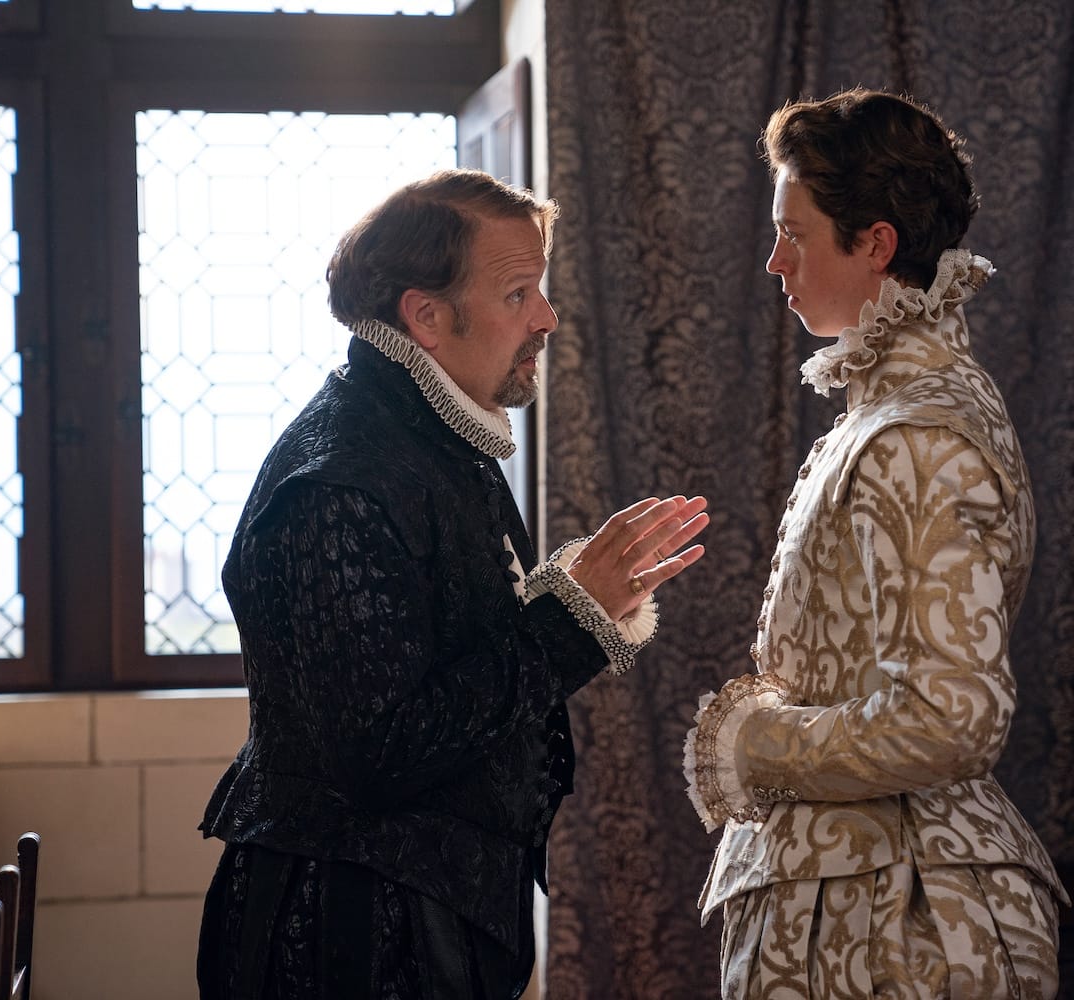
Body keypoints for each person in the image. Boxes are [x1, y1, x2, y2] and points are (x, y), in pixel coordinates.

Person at [197, 169, 709, 1000]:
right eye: (518, 293)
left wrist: (569, 597)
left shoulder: (428, 429)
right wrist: (571, 620)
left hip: (420, 914)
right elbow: (380, 752)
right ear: (425, 316)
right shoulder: (339, 480)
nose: (545, 317)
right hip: (346, 935)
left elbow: (454, 649)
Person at [683, 89, 1068, 998]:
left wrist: (756, 743)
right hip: (860, 901)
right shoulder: (898, 409)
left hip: (898, 929)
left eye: (796, 233)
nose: (774, 261)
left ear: (877, 244)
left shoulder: (917, 433)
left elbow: (950, 714)